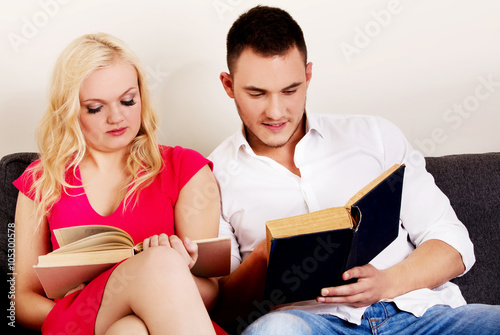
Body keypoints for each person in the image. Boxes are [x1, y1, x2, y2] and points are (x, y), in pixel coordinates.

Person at [208, 5, 500, 334]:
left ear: (308, 76)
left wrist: (386, 282)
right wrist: (264, 257)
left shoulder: (374, 135)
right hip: (309, 324)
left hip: (419, 314)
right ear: (228, 85)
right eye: (257, 93)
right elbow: (223, 309)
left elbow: (453, 245)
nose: (276, 112)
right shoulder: (211, 176)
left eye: (290, 91)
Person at [14, 32, 226, 335]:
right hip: (78, 324)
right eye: (96, 108)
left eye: (128, 100)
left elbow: (211, 293)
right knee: (156, 270)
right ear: (71, 109)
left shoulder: (186, 170)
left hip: (175, 321)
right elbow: (22, 302)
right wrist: (101, 310)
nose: (116, 117)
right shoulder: (40, 181)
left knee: (132, 327)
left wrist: (175, 271)